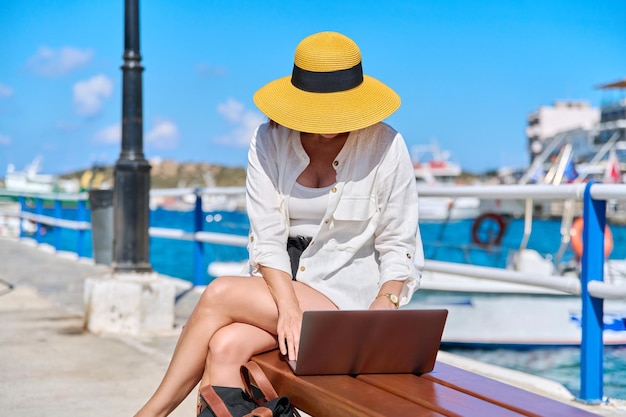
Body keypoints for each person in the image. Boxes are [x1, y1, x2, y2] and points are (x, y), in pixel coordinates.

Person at [134, 30, 424, 417]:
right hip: (279, 287)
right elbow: (267, 238)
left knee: (219, 294)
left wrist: (384, 302)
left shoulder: (385, 145)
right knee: (225, 345)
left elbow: (398, 241)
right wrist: (287, 308)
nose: (329, 121)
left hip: (347, 298)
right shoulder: (270, 141)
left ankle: (150, 414)